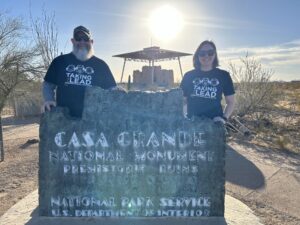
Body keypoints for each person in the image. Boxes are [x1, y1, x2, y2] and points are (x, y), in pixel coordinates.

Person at [42, 25, 117, 118]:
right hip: (64, 119)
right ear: (73, 41)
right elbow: (48, 84)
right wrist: (49, 99)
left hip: (93, 119)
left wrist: (117, 90)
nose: (82, 42)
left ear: (91, 42)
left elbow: (111, 87)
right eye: (78, 38)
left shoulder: (101, 65)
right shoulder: (59, 61)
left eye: (85, 39)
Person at [180, 40, 235, 124]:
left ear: (215, 54)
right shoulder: (188, 76)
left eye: (210, 52)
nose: (206, 56)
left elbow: (231, 102)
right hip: (192, 124)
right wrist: (182, 118)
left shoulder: (224, 75)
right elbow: (183, 101)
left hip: (215, 124)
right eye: (202, 53)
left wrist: (224, 118)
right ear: (197, 55)